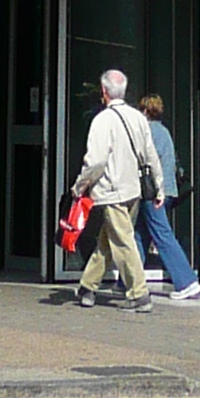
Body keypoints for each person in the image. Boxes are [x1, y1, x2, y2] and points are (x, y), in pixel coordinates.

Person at [67, 69, 160, 312]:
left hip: (111, 191)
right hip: (133, 190)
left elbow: (95, 161)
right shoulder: (138, 118)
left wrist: (80, 185)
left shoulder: (103, 120)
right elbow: (150, 153)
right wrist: (158, 185)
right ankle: (88, 287)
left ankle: (140, 294)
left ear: (104, 92)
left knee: (122, 241)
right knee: (108, 240)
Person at [136, 90, 200, 301]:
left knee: (162, 235)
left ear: (145, 110)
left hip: (152, 192)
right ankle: (129, 281)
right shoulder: (164, 131)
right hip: (168, 191)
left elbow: (144, 160)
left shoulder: (147, 131)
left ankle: (186, 281)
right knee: (139, 234)